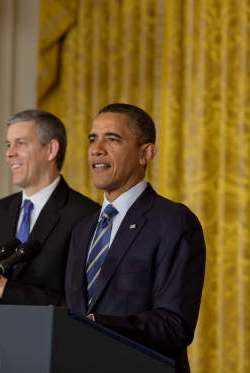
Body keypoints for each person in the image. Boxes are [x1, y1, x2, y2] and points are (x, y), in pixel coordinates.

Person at [65, 103, 206, 373]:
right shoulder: (82, 229)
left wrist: (93, 323)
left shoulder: (173, 221)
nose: (97, 149)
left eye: (112, 139)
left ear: (146, 153)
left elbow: (174, 326)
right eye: (93, 139)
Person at [0, 109, 100, 304]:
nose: (9, 153)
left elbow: (80, 304)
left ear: (51, 150)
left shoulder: (86, 215)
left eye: (21, 143)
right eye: (8, 145)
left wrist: (3, 286)